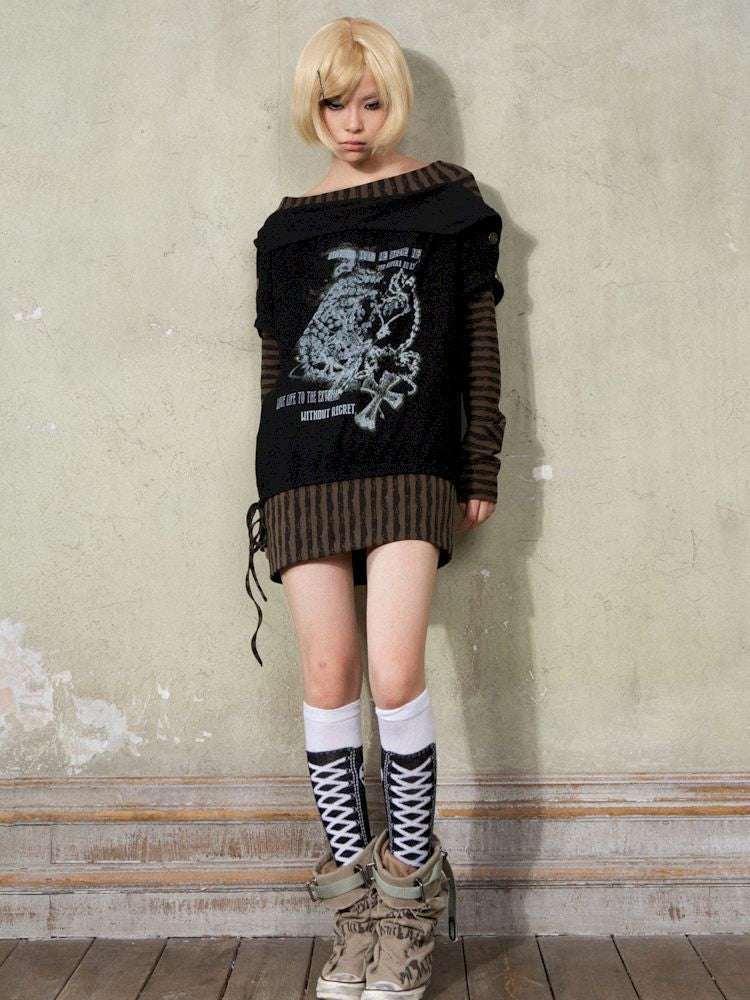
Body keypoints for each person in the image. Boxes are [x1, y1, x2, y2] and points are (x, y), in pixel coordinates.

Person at [244, 15, 506, 1000]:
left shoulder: (449, 203)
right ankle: (354, 916)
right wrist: (272, 487)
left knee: (395, 676)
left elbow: (477, 341)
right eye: (333, 104)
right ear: (310, 107)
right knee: (327, 675)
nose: (351, 123)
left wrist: (478, 461)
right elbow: (278, 366)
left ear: (395, 101)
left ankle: (407, 908)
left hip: (407, 459)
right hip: (303, 466)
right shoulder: (286, 229)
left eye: (369, 102)